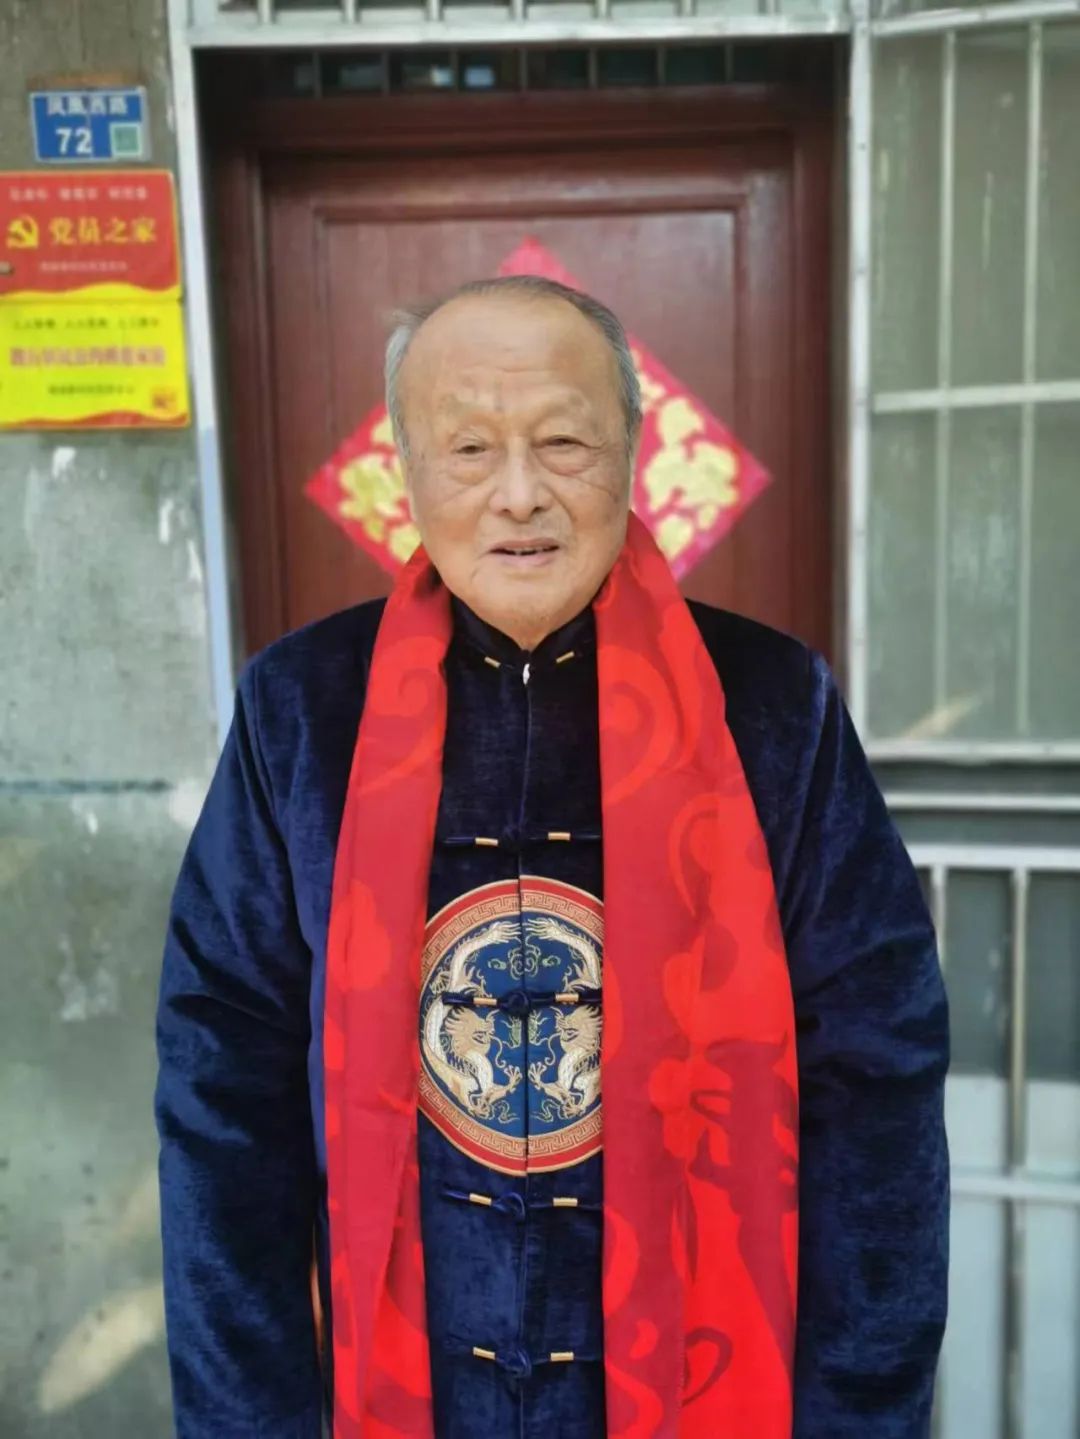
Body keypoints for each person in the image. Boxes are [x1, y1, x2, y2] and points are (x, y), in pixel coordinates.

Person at [156, 275, 949, 1439]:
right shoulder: (302, 710)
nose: (519, 491)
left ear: (631, 449)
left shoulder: (774, 705)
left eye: (564, 441)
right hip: (398, 1391)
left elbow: (877, 1078)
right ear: (407, 471)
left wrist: (859, 1411)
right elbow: (222, 1087)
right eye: (469, 447)